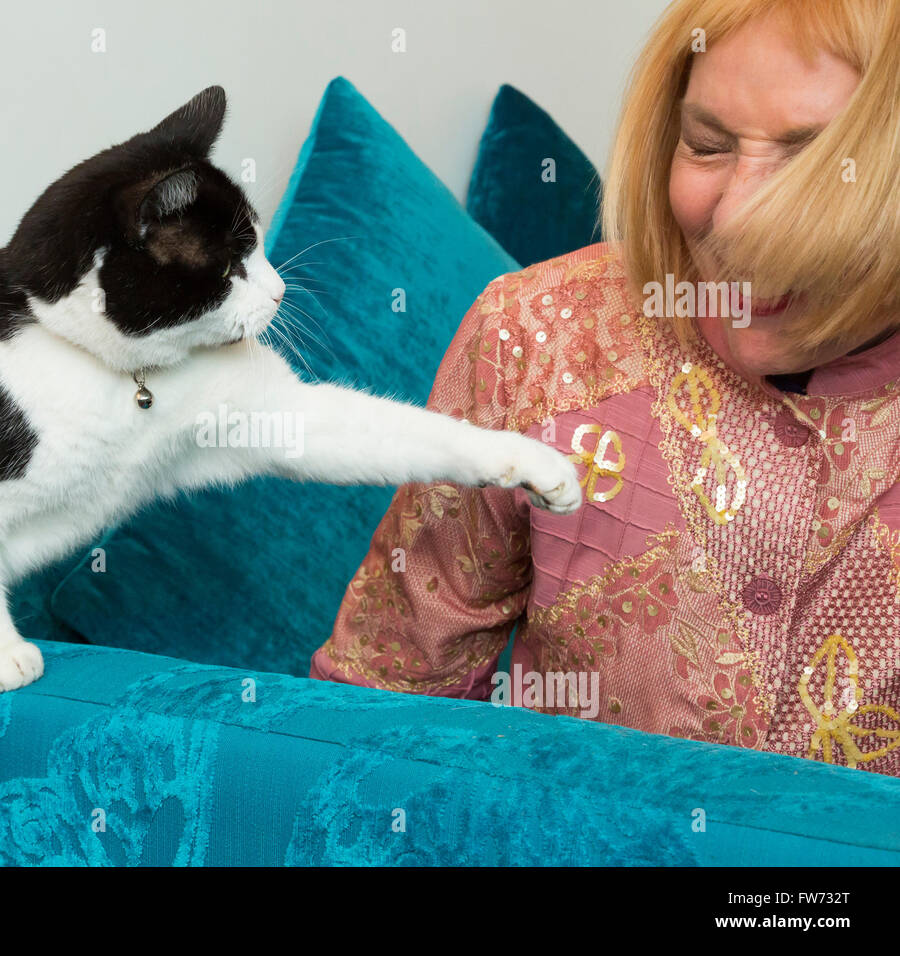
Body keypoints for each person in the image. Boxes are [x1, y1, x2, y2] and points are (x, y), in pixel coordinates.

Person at [311, 0, 900, 775]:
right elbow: (375, 720)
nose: (741, 217)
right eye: (708, 145)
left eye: (816, 161)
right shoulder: (534, 338)